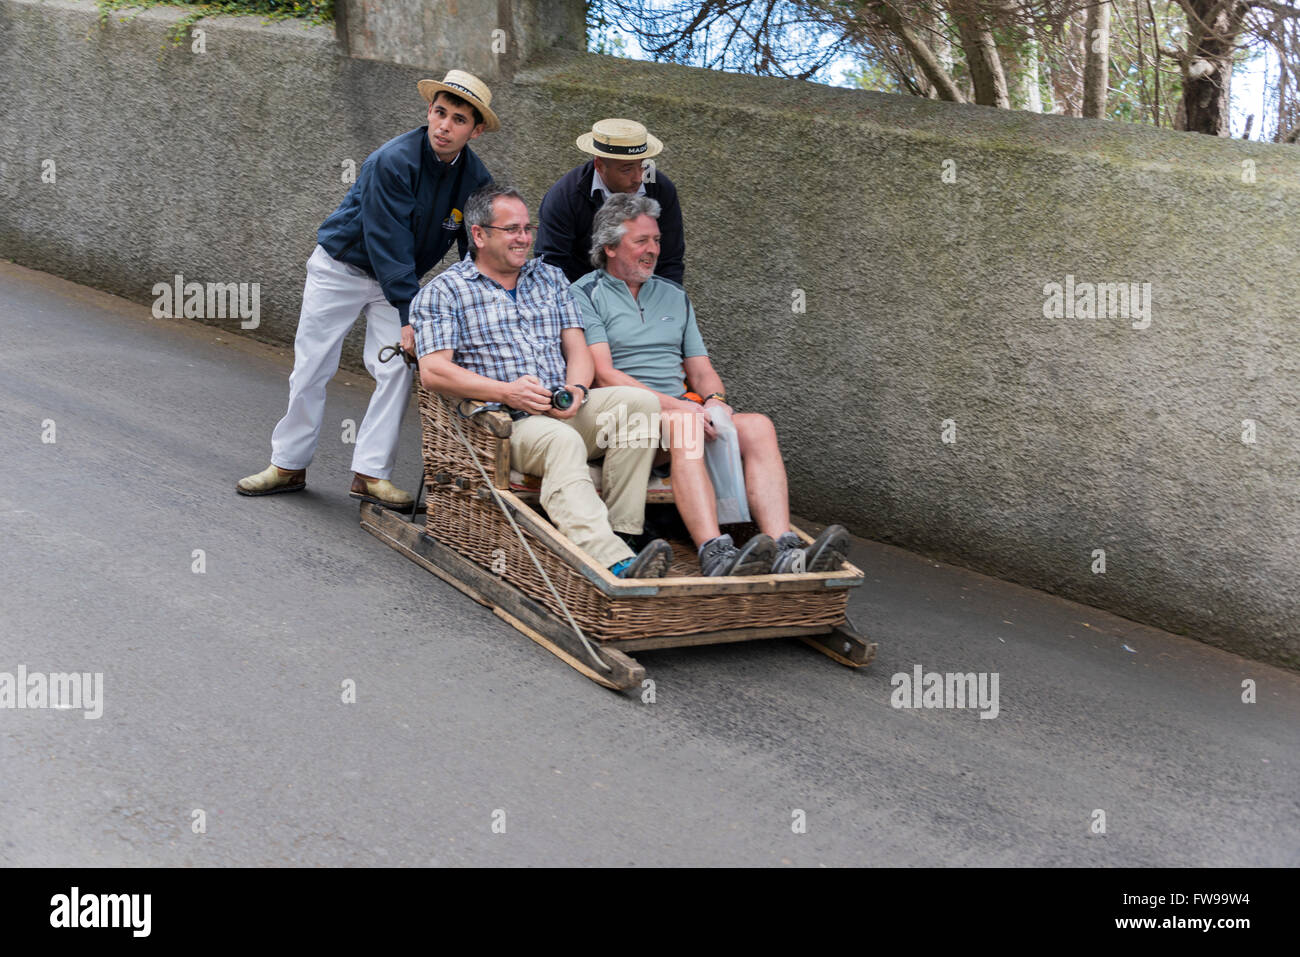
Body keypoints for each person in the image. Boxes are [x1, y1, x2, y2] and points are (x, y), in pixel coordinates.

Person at [237, 70, 498, 509]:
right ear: (428, 111)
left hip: (396, 284)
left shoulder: (475, 177)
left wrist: (483, 302)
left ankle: (371, 475)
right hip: (341, 269)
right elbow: (387, 241)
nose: (444, 126)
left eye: (458, 119)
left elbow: (474, 246)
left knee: (397, 369)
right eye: (439, 113)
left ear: (477, 129)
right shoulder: (391, 160)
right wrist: (411, 315)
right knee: (312, 366)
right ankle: (287, 464)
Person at [570, 192, 851, 577]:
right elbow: (604, 374)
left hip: (683, 413)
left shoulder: (674, 296)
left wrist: (716, 400)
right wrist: (682, 407)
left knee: (759, 427)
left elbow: (700, 370)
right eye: (641, 241)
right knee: (687, 425)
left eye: (656, 240)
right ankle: (714, 551)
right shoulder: (584, 294)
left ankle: (786, 547)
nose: (653, 249)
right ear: (610, 247)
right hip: (628, 421)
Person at [410, 185, 673, 579]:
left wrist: (577, 390)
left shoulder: (548, 278)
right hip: (504, 424)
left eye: (527, 228)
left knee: (640, 405)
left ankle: (624, 535)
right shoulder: (445, 292)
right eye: (512, 229)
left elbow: (578, 349)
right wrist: (507, 392)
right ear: (479, 235)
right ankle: (608, 559)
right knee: (560, 441)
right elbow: (434, 371)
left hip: (561, 407)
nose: (524, 238)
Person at [535, 118, 685, 285]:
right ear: (599, 165)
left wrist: (666, 306)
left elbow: (670, 262)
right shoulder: (564, 198)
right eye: (627, 169)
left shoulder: (661, 189)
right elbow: (550, 269)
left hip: (644, 298)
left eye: (643, 165)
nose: (638, 177)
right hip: (580, 299)